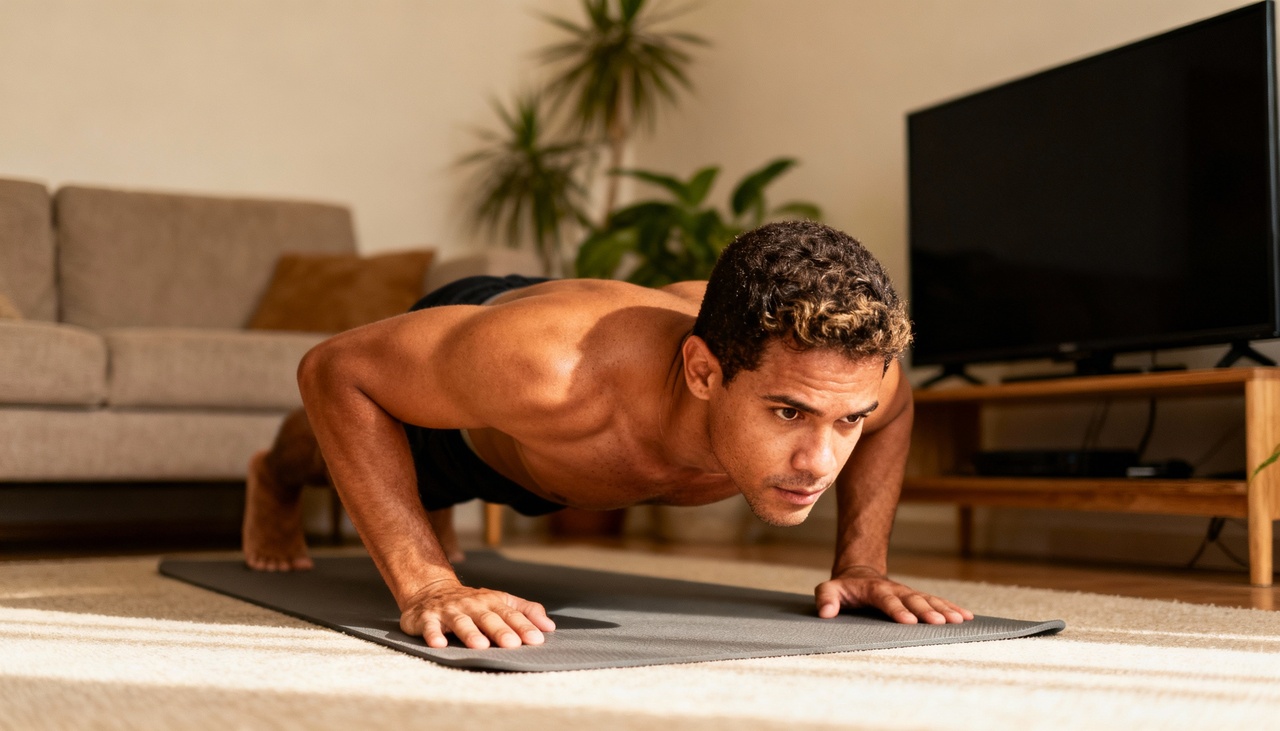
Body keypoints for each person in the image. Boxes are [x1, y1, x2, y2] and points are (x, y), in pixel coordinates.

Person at [242, 220, 974, 651]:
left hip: (564, 434)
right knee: (324, 453)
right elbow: (334, 369)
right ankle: (270, 478)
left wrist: (862, 561)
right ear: (702, 372)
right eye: (787, 413)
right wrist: (427, 582)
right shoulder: (549, 368)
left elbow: (895, 414)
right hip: (494, 401)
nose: (820, 462)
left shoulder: (849, 378)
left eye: (845, 420)